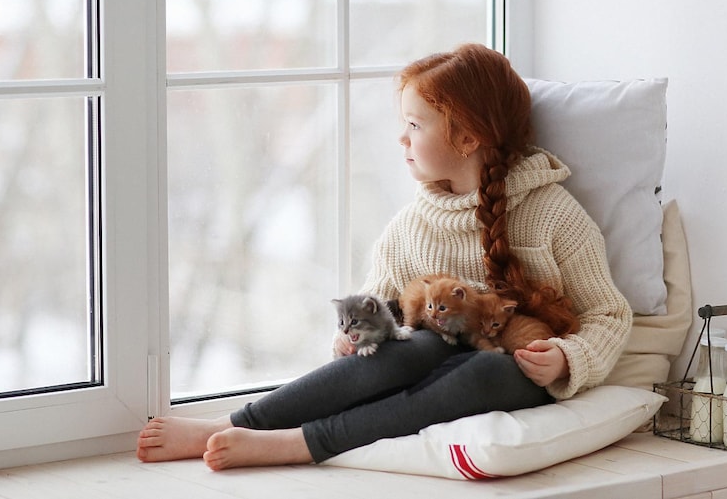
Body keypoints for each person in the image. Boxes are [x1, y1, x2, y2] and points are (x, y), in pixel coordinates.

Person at [137, 43, 632, 471]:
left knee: (478, 372)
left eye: (415, 125)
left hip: (512, 364)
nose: (402, 138)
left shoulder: (552, 214)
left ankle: (298, 445)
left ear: (467, 138)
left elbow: (608, 314)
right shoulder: (413, 223)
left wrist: (568, 359)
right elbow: (380, 303)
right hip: (437, 347)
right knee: (413, 350)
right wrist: (355, 336)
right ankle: (233, 424)